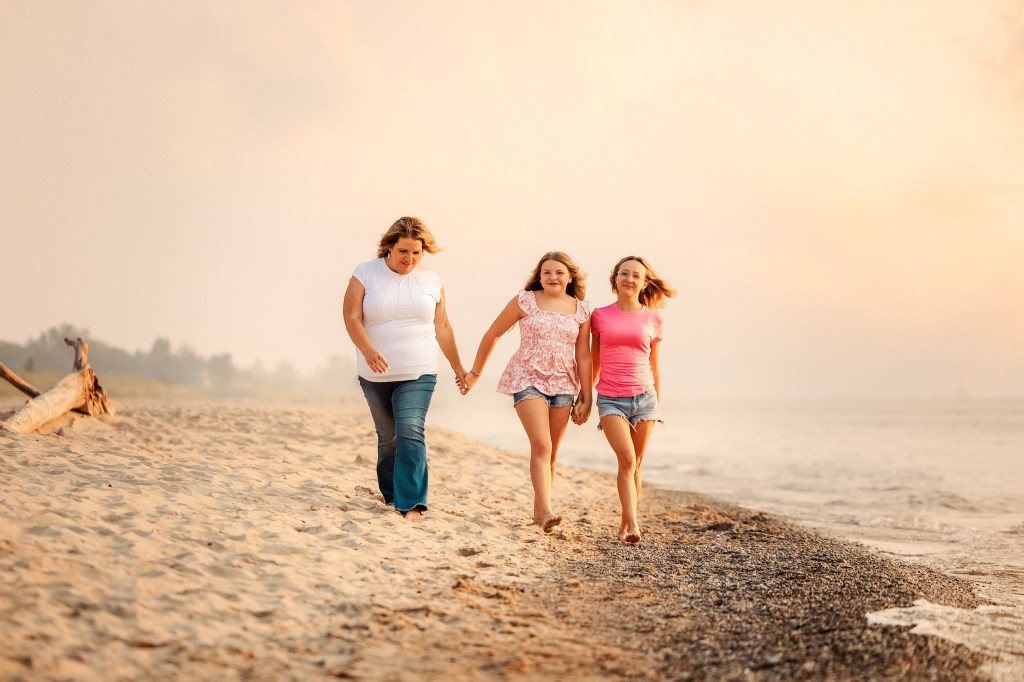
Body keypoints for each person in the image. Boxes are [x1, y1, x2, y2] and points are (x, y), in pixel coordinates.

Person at [342, 217, 466, 519]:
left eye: (416, 253)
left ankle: (411, 504)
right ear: (389, 248)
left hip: (419, 370)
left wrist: (458, 367)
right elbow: (351, 317)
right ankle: (392, 495)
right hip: (375, 372)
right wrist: (368, 350)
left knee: (410, 429)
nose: (409, 259)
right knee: (388, 437)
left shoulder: (432, 281)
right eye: (403, 252)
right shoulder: (365, 273)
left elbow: (443, 327)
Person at [462, 252, 592, 532]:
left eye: (559, 272)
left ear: (570, 277)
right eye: (546, 272)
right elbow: (493, 333)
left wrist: (587, 396)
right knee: (542, 445)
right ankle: (546, 511)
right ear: (539, 275)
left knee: (552, 452)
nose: (553, 277)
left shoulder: (582, 310)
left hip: (564, 383)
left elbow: (583, 356)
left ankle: (539, 514)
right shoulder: (525, 300)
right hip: (527, 376)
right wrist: (475, 372)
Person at [591, 256, 676, 543]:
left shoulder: (654, 319)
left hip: (645, 399)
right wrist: (586, 397)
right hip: (611, 399)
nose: (629, 278)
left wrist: (657, 404)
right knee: (626, 459)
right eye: (624, 273)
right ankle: (634, 525)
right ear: (615, 279)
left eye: (635, 275)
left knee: (636, 464)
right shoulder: (600, 316)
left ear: (643, 283)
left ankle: (625, 524)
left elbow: (655, 365)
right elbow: (594, 359)